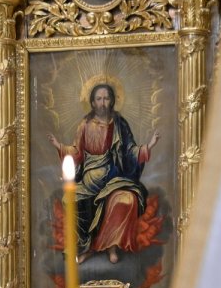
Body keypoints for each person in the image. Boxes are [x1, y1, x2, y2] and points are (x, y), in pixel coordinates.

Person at [47, 82, 160, 264]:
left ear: (113, 101)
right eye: (99, 99)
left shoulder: (119, 124)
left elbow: (130, 150)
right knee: (70, 200)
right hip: (89, 178)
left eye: (106, 98)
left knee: (126, 199)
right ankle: (87, 248)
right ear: (92, 102)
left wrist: (148, 147)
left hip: (114, 176)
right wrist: (59, 146)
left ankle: (111, 246)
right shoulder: (85, 125)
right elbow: (76, 152)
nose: (102, 103)